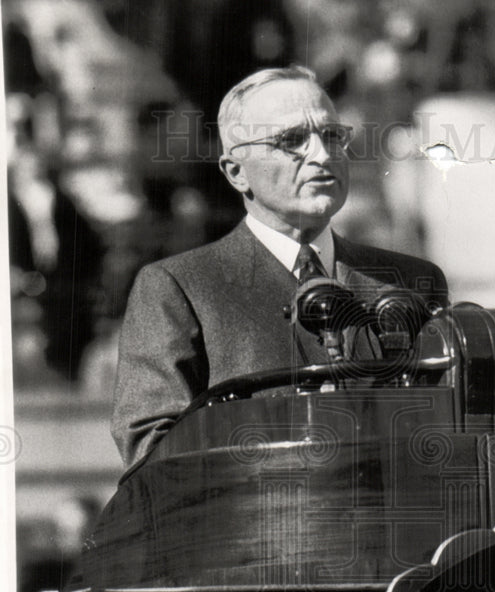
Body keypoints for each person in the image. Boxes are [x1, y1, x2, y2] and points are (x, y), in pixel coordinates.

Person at [112, 65, 448, 467]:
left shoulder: (415, 282)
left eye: (332, 135)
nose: (322, 155)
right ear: (237, 173)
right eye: (292, 140)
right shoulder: (179, 288)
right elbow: (154, 454)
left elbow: (447, 427)